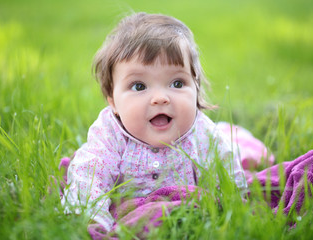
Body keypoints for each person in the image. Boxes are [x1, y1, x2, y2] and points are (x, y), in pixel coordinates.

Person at [61, 12, 248, 232]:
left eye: (177, 83)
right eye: (139, 86)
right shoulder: (110, 134)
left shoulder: (202, 133)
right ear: (113, 102)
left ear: (196, 88)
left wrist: (230, 207)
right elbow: (91, 175)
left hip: (186, 215)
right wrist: (93, 218)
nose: (161, 98)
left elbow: (225, 171)